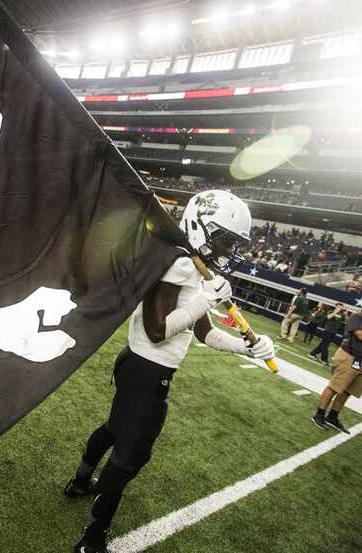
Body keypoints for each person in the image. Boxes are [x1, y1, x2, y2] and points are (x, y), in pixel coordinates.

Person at [65, 190, 275, 553]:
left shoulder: (191, 264)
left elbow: (204, 332)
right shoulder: (179, 263)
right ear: (200, 227)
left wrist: (246, 347)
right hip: (148, 371)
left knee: (114, 430)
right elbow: (157, 330)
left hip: (138, 366)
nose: (227, 250)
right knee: (129, 457)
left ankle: (81, 480)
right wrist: (207, 298)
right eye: (224, 239)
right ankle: (93, 537)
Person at [312, 293, 362, 433]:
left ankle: (333, 417)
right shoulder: (358, 317)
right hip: (350, 357)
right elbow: (361, 336)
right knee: (335, 387)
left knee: (347, 391)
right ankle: (319, 415)